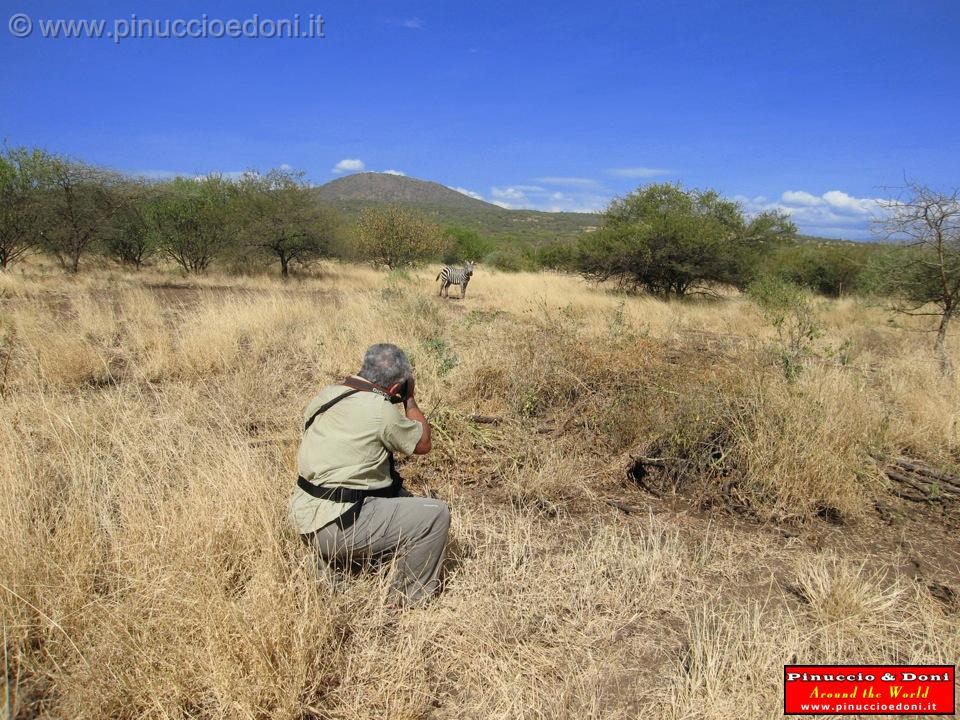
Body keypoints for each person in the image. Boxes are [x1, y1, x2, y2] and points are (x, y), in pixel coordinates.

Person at [289, 343, 450, 605]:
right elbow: (423, 443)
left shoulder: (326, 395)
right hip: (337, 526)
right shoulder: (380, 410)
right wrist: (409, 399)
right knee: (435, 514)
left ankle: (335, 571)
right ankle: (407, 599)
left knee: (396, 494)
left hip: (304, 515)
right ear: (396, 388)